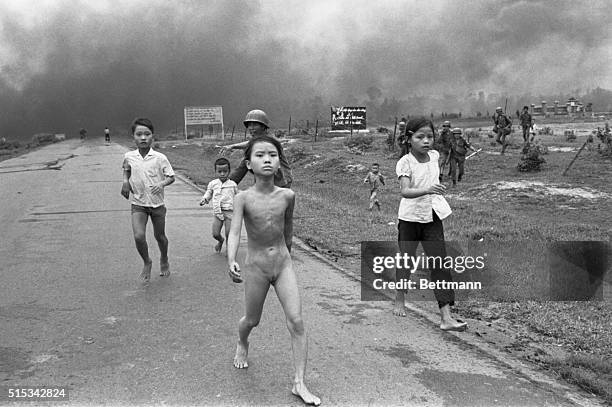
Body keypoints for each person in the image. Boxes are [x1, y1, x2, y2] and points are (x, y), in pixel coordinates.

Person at [226, 135, 320, 406]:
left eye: (272, 155)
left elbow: (288, 229)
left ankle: (299, 383)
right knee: (251, 321)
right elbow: (234, 232)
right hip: (256, 267)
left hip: (282, 265)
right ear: (249, 163)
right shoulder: (242, 198)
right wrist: (231, 258)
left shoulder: (288, 195)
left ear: (279, 163)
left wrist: (288, 255)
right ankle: (242, 342)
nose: (267, 159)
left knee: (297, 321)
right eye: (260, 155)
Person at [393, 117, 468, 332]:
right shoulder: (405, 162)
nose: (426, 141)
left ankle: (446, 317)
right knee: (407, 260)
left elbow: (436, 173)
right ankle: (400, 297)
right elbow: (405, 191)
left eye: (429, 136)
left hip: (432, 216)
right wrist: (428, 189)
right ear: (409, 139)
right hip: (410, 218)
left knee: (439, 263)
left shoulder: (435, 156)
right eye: (420, 137)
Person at [121, 118, 175, 282]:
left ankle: (164, 258)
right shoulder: (129, 156)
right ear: (133, 137)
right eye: (139, 134)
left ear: (153, 136)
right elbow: (126, 169)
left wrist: (161, 184)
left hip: (157, 204)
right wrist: (125, 182)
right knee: (138, 236)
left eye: (147, 134)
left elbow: (171, 177)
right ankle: (147, 262)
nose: (143, 138)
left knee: (160, 236)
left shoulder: (160, 158)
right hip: (139, 204)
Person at [220, 109, 292, 188]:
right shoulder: (258, 141)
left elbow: (251, 146)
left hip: (280, 181)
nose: (251, 128)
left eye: (255, 125)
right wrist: (233, 146)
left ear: (263, 127)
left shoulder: (270, 143)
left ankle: (228, 185)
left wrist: (228, 185)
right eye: (249, 125)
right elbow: (251, 143)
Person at [199, 157, 238, 253]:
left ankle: (230, 250)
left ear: (229, 171)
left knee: (229, 233)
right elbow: (209, 192)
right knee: (215, 234)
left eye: (225, 171)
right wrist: (205, 199)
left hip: (230, 213)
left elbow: (238, 196)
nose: (222, 174)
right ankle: (220, 241)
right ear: (215, 172)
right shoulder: (213, 184)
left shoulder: (232, 184)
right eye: (219, 171)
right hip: (218, 212)